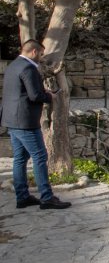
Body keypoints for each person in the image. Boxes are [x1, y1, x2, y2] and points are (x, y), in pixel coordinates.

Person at [0, 39, 71, 210]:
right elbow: (34, 96)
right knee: (40, 157)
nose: (41, 57)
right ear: (34, 52)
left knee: (20, 158)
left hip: (11, 119)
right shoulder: (29, 68)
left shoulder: (13, 66)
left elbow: (20, 91)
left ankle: (22, 197)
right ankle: (47, 198)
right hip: (25, 121)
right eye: (40, 54)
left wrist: (41, 92)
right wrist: (49, 96)